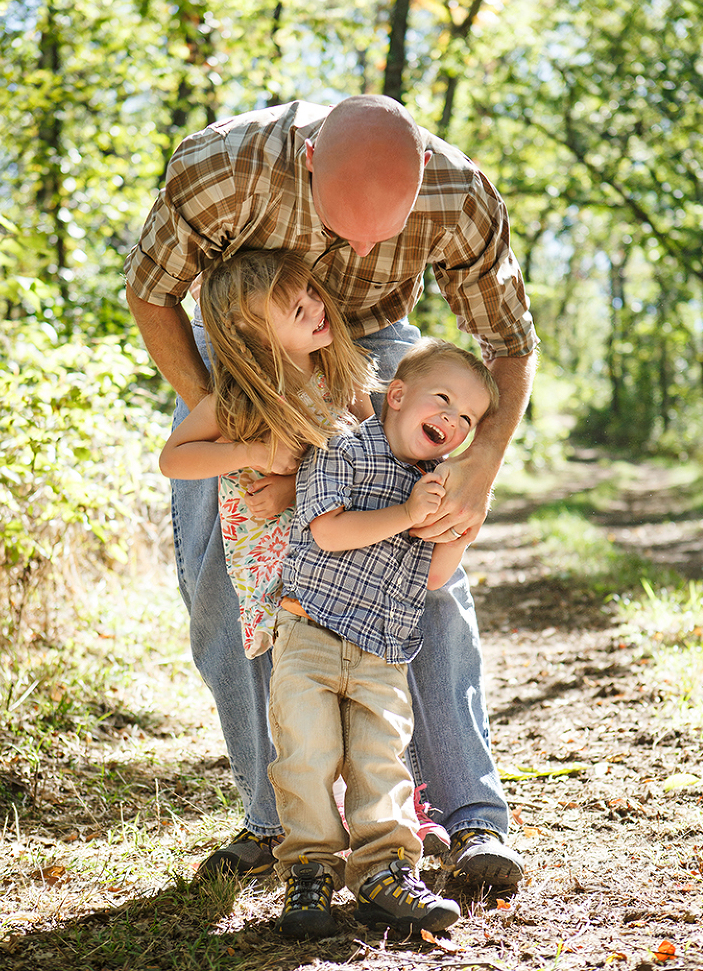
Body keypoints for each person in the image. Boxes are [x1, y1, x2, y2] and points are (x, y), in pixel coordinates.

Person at [124, 94, 539, 894]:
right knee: (229, 585)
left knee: (426, 562)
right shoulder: (221, 167)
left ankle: (469, 814)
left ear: (423, 180)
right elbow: (151, 292)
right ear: (307, 159)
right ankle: (275, 817)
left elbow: (509, 342)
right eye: (344, 226)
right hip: (250, 340)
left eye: (381, 235)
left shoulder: (460, 194)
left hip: (377, 348)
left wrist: (477, 467)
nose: (356, 249)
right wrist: (249, 426)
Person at [271, 340, 497, 939]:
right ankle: (310, 873)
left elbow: (433, 576)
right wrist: (405, 513)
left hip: (381, 653)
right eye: (443, 400)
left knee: (381, 762)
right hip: (311, 636)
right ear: (397, 396)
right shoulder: (340, 450)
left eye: (468, 418)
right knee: (307, 756)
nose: (452, 420)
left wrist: (461, 528)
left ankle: (383, 872)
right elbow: (326, 532)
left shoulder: (435, 485)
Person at [158, 248, 376, 659]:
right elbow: (173, 460)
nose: (317, 306)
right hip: (276, 576)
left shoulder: (342, 379)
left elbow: (371, 458)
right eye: (297, 311)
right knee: (300, 680)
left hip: (340, 562)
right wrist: (252, 453)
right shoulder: (241, 402)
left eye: (311, 290)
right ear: (257, 339)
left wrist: (295, 486)